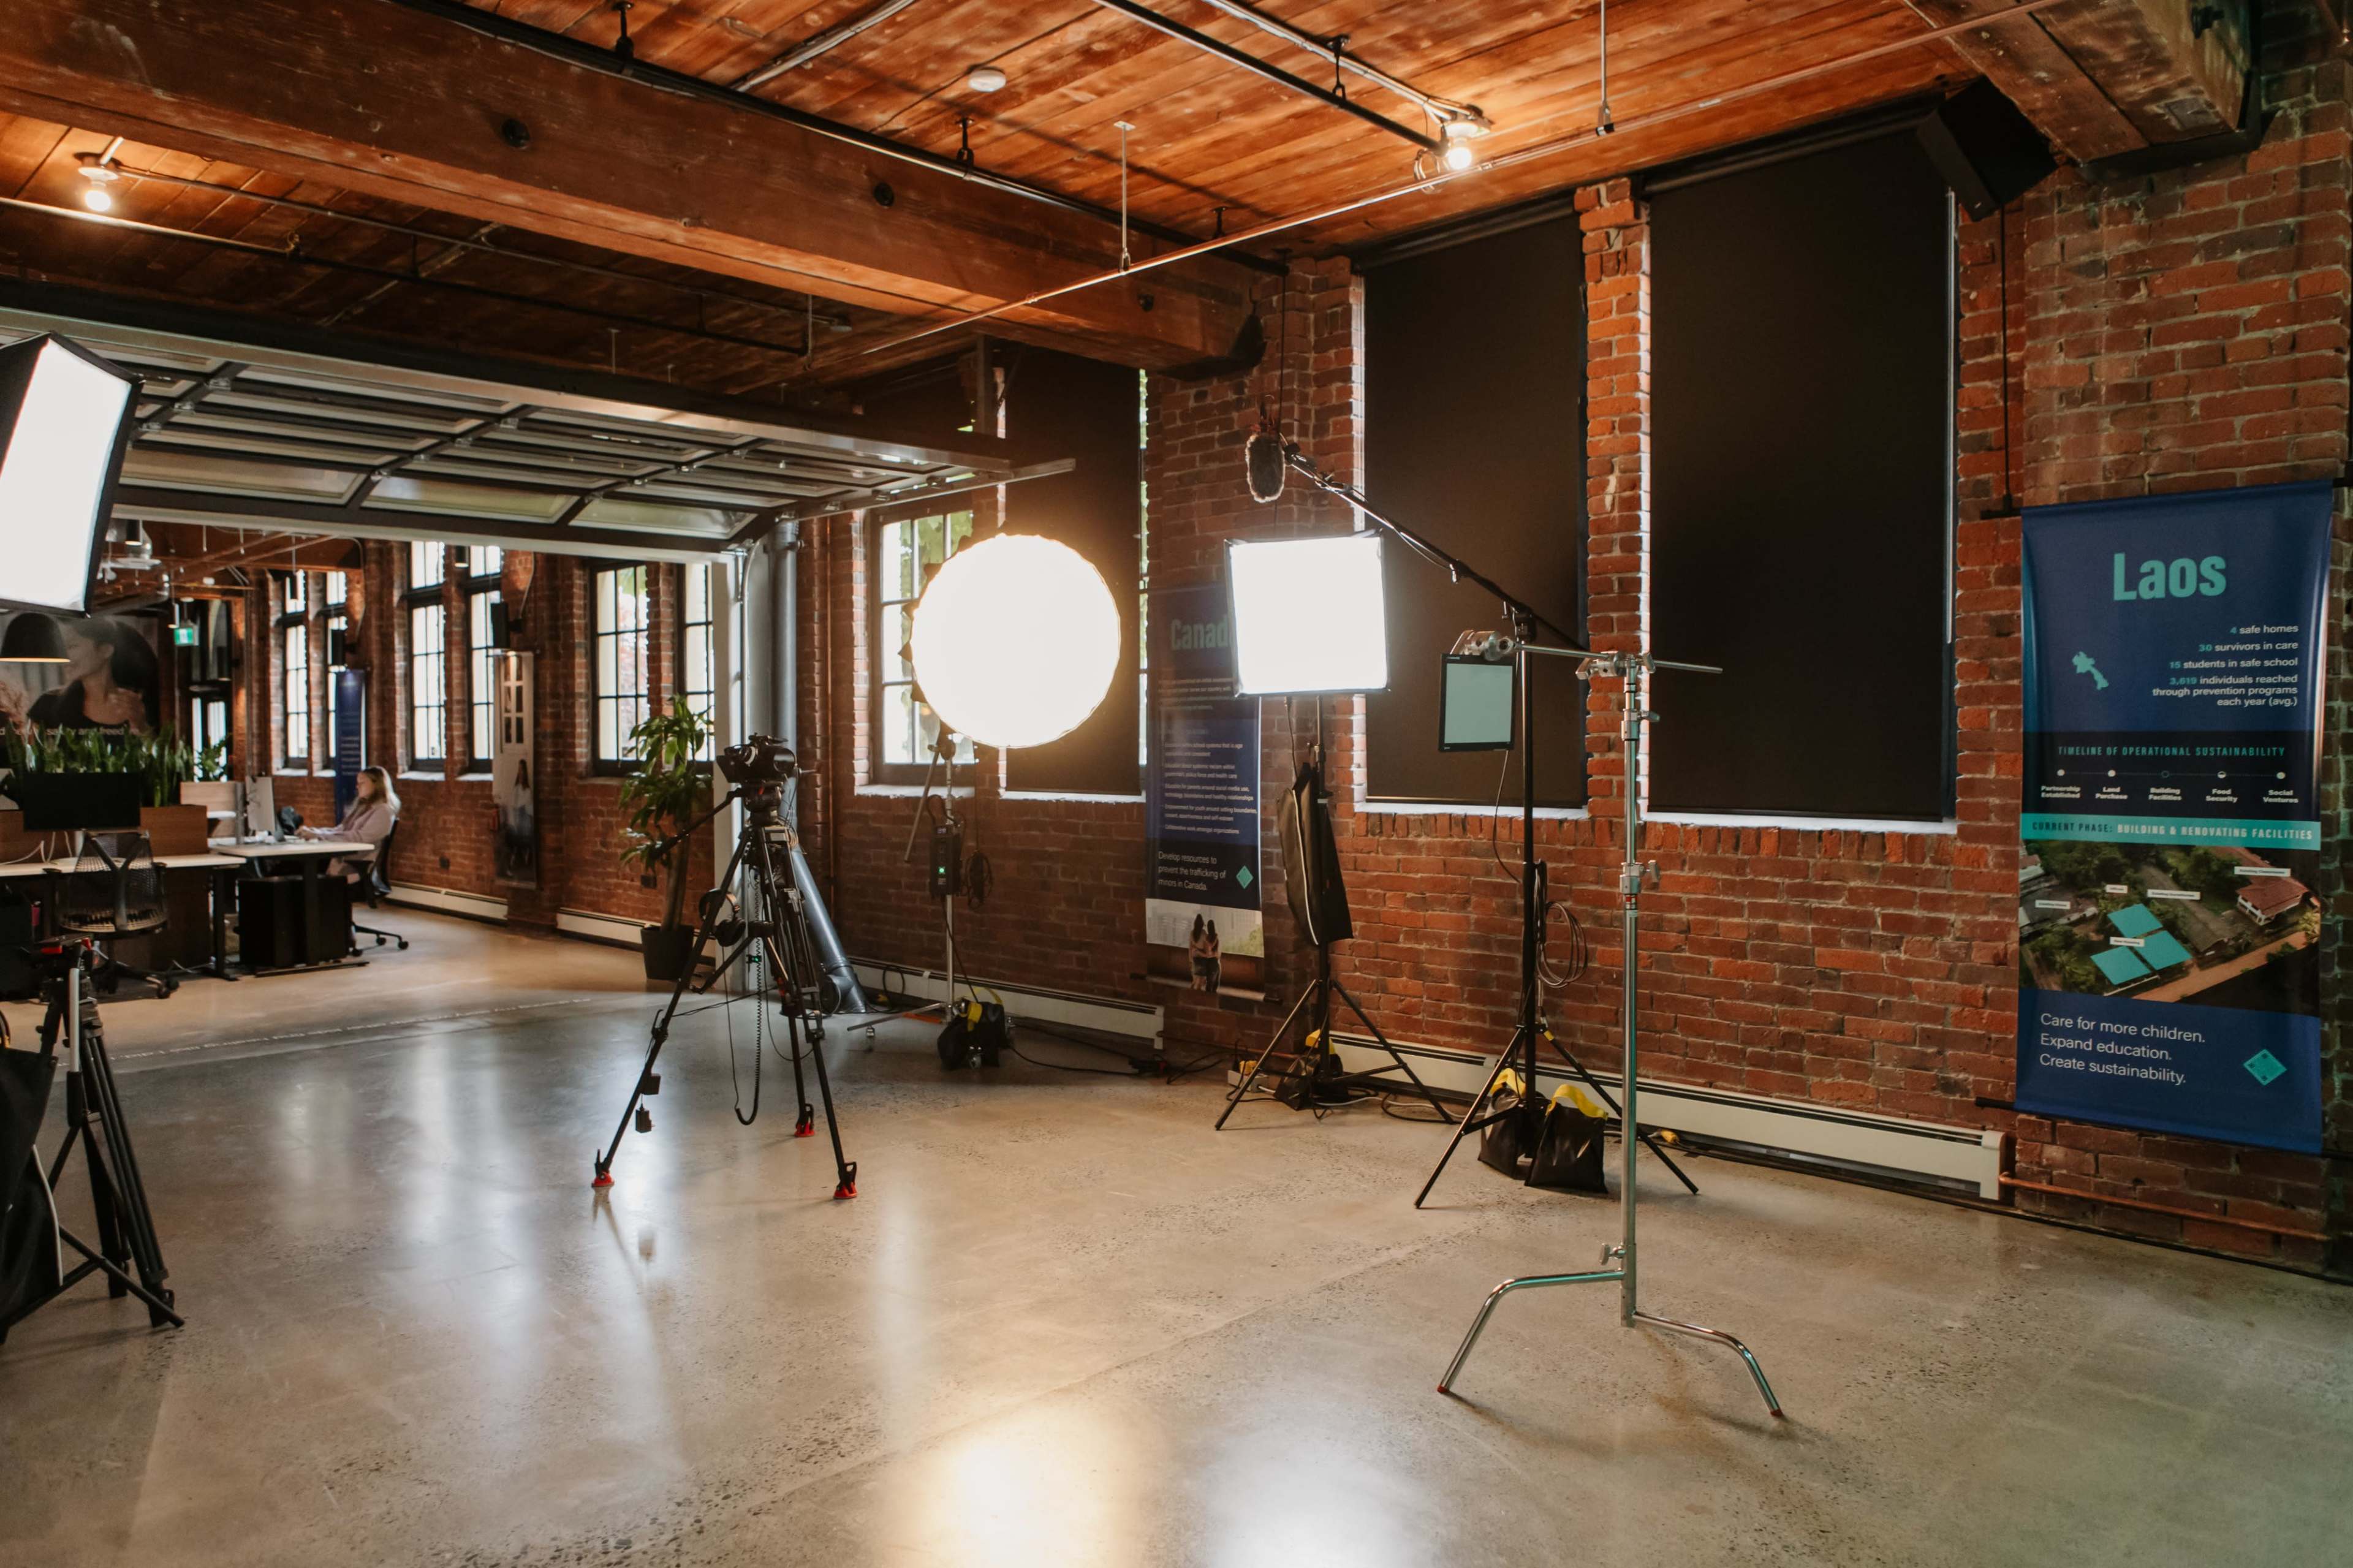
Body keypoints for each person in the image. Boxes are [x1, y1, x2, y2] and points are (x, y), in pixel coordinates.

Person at [26, 616, 158, 733]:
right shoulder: (47, 705)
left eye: (72, 646)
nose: (62, 656)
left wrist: (141, 727)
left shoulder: (142, 705)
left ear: (105, 651)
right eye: (60, 648)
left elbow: (163, 756)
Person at [300, 766, 399, 881]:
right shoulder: (362, 807)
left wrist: (320, 836)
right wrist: (314, 831)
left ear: (376, 784)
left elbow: (359, 837)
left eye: (362, 783)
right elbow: (341, 829)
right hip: (343, 861)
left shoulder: (383, 811)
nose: (358, 787)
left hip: (354, 866)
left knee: (303, 869)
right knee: (297, 867)